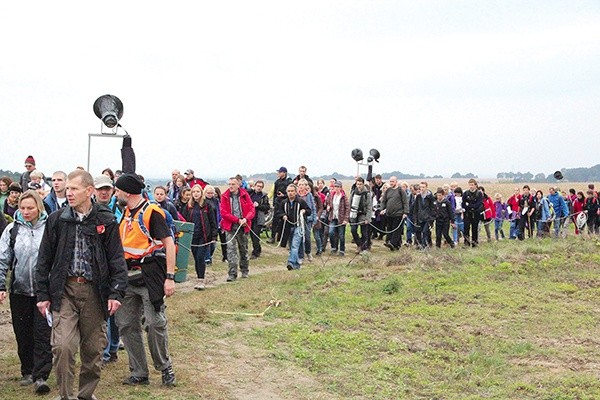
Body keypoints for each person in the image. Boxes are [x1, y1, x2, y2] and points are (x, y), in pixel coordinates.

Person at [35, 169, 128, 400]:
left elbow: (116, 258)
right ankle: (65, 396)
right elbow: (44, 259)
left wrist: (116, 292)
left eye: (74, 189)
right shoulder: (57, 220)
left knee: (93, 350)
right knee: (63, 347)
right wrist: (42, 294)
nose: (69, 193)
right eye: (67, 188)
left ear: (89, 191)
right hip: (64, 291)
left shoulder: (105, 220)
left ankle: (86, 395)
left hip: (95, 292)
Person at [113, 173, 177, 387]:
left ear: (127, 192)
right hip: (127, 278)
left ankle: (165, 367)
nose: (116, 193)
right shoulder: (125, 213)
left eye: (118, 190)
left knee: (154, 323)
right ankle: (139, 372)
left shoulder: (152, 213)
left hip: (150, 277)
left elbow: (168, 244)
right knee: (126, 325)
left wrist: (170, 277)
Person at [0, 190, 52, 394]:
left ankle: (41, 375)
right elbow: (3, 258)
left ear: (39, 207)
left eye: (30, 208)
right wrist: (1, 286)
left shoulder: (49, 229)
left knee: (42, 333)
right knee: (23, 333)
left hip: (43, 291)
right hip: (19, 289)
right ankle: (27, 371)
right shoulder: (12, 230)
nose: (26, 211)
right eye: (22, 208)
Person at [92, 174, 124, 367]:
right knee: (103, 310)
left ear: (112, 190)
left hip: (116, 262)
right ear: (93, 191)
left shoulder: (120, 208)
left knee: (114, 309)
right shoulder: (90, 211)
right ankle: (105, 351)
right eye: (100, 189)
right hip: (98, 266)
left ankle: (112, 348)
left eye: (107, 189)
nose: (104, 192)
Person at [180, 184, 217, 290]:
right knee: (196, 258)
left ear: (201, 193)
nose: (196, 194)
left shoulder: (207, 206)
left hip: (204, 236)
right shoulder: (188, 206)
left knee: (201, 256)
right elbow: (184, 221)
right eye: (194, 192)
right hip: (192, 236)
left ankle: (201, 279)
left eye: (198, 191)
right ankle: (198, 277)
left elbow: (212, 221)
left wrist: (214, 236)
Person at [220, 177, 255, 281]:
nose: (231, 186)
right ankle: (232, 273)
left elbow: (251, 209)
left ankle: (244, 270)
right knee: (231, 250)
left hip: (243, 226)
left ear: (238, 185)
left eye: (233, 184)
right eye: (229, 184)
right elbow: (223, 212)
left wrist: (246, 219)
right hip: (230, 226)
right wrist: (236, 220)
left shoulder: (245, 195)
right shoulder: (224, 196)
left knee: (243, 249)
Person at [280, 184, 311, 270]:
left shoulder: (300, 202)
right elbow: (279, 212)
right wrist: (283, 215)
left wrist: (304, 211)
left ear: (296, 192)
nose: (290, 193)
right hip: (288, 227)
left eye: (292, 191)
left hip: (299, 226)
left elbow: (309, 211)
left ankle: (291, 262)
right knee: (291, 245)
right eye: (289, 191)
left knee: (295, 244)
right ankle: (297, 265)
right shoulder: (284, 202)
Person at [380, 176, 409, 251]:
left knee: (396, 229)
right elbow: (384, 201)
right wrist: (382, 209)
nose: (391, 183)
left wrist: (405, 212)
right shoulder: (388, 190)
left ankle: (392, 243)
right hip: (389, 214)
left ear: (396, 182)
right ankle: (395, 245)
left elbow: (405, 202)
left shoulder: (400, 190)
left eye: (393, 181)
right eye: (390, 181)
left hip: (398, 214)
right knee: (390, 228)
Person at [349, 177, 373, 253]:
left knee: (364, 232)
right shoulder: (353, 192)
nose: (359, 186)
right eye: (357, 184)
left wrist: (367, 218)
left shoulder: (367, 194)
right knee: (353, 230)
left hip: (363, 214)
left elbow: (369, 207)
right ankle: (359, 244)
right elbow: (349, 203)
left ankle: (364, 247)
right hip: (354, 213)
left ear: (363, 184)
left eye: (360, 184)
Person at [269, 167, 292, 243]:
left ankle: (283, 239)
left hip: (285, 204)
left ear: (284, 173)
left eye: (280, 172)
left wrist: (284, 195)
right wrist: (274, 203)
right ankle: (272, 238)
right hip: (277, 204)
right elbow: (275, 193)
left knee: (284, 222)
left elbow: (291, 194)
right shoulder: (277, 182)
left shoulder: (289, 182)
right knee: (275, 221)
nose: (278, 173)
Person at [325, 181, 349, 256]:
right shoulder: (331, 195)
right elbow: (327, 202)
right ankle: (333, 247)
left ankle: (342, 249)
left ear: (341, 188)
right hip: (333, 217)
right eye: (336, 187)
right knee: (331, 232)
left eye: (338, 187)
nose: (337, 188)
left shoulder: (344, 197)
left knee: (341, 235)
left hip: (341, 218)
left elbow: (347, 208)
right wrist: (328, 206)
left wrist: (346, 219)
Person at [248, 180, 270, 259]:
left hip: (259, 218)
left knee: (255, 235)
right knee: (251, 235)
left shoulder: (264, 197)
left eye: (261, 187)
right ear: (255, 186)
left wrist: (259, 206)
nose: (259, 188)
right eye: (258, 186)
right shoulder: (250, 194)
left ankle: (255, 253)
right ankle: (258, 248)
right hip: (250, 218)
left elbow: (267, 207)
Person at [296, 178, 317, 262]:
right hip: (298, 220)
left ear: (306, 186)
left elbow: (313, 208)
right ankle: (300, 255)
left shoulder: (309, 195)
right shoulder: (296, 195)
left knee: (307, 237)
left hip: (308, 219)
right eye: (300, 185)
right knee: (300, 237)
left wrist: (314, 219)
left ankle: (308, 252)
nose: (301, 186)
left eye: (303, 185)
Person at [411, 182, 434, 249]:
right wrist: (415, 219)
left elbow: (433, 209)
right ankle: (420, 245)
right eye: (421, 187)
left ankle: (425, 246)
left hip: (428, 218)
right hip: (420, 218)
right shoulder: (418, 197)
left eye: (423, 187)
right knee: (418, 232)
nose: (422, 189)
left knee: (425, 232)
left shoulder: (430, 197)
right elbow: (416, 208)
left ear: (426, 187)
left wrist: (431, 219)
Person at [462, 178, 483, 247]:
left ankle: (474, 243)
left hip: (475, 214)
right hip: (467, 214)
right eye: (469, 185)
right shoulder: (466, 193)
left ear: (475, 185)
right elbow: (463, 204)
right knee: (466, 228)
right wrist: (470, 206)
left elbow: (479, 204)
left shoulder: (479, 193)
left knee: (474, 229)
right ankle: (466, 243)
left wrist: (470, 206)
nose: (471, 186)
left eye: (472, 185)